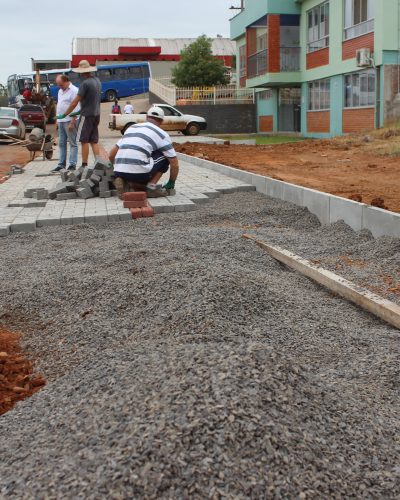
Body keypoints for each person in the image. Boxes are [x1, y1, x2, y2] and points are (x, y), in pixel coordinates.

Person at [109, 106, 179, 199]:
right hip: (140, 174)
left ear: (146, 117)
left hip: (118, 171)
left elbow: (111, 154)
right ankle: (151, 188)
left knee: (144, 154)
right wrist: (171, 182)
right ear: (162, 121)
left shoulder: (132, 127)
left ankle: (123, 179)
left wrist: (115, 167)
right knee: (166, 156)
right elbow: (174, 163)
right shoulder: (162, 134)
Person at [57, 60, 101, 167]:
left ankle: (84, 164)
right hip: (96, 114)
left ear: (82, 72)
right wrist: (78, 111)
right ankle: (99, 162)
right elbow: (92, 100)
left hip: (86, 116)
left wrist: (65, 114)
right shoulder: (97, 81)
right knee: (94, 140)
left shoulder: (84, 84)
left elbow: (74, 102)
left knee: (84, 140)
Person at [52, 75, 80, 172]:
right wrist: (57, 120)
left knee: (72, 143)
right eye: (58, 85)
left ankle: (72, 164)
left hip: (69, 120)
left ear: (66, 81)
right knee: (62, 143)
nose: (59, 86)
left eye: (61, 84)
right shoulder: (60, 91)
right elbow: (59, 105)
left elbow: (76, 106)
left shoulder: (74, 90)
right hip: (61, 121)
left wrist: (73, 121)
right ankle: (61, 164)